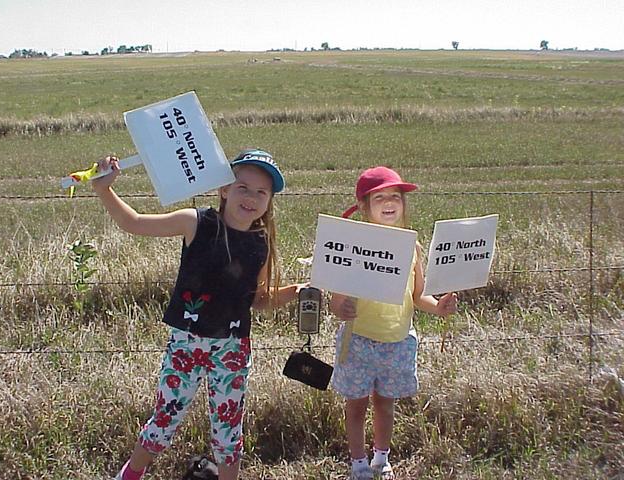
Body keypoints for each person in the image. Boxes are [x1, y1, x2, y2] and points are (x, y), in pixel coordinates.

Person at [91, 149, 304, 480]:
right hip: (186, 346)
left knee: (229, 433)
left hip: (232, 351)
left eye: (261, 192)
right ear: (223, 189)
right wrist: (105, 188)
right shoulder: (196, 222)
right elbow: (133, 222)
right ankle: (129, 476)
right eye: (242, 187)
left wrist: (296, 292)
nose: (251, 198)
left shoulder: (260, 243)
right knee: (164, 419)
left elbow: (258, 300)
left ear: (269, 200)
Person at [329, 166, 458, 480]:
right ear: (364, 206)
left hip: (398, 340)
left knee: (385, 403)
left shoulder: (411, 247)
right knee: (356, 405)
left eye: (395, 197)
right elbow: (336, 301)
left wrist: (439, 307)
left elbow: (418, 296)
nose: (389, 202)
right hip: (358, 340)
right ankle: (358, 463)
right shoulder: (353, 246)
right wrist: (342, 308)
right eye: (380, 197)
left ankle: (381, 459)